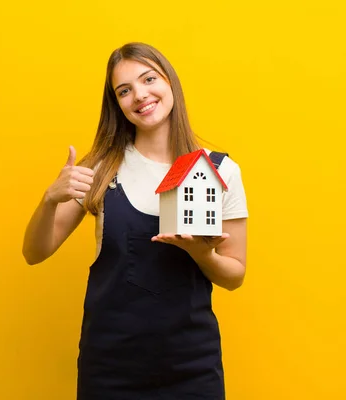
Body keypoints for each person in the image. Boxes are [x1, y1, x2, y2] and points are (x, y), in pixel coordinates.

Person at [22, 42, 248, 399]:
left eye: (149, 79)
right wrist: (50, 199)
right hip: (111, 368)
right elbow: (34, 252)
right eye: (124, 91)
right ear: (118, 105)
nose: (139, 95)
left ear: (170, 81)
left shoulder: (219, 170)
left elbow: (235, 275)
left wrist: (203, 255)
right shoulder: (99, 167)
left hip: (192, 366)